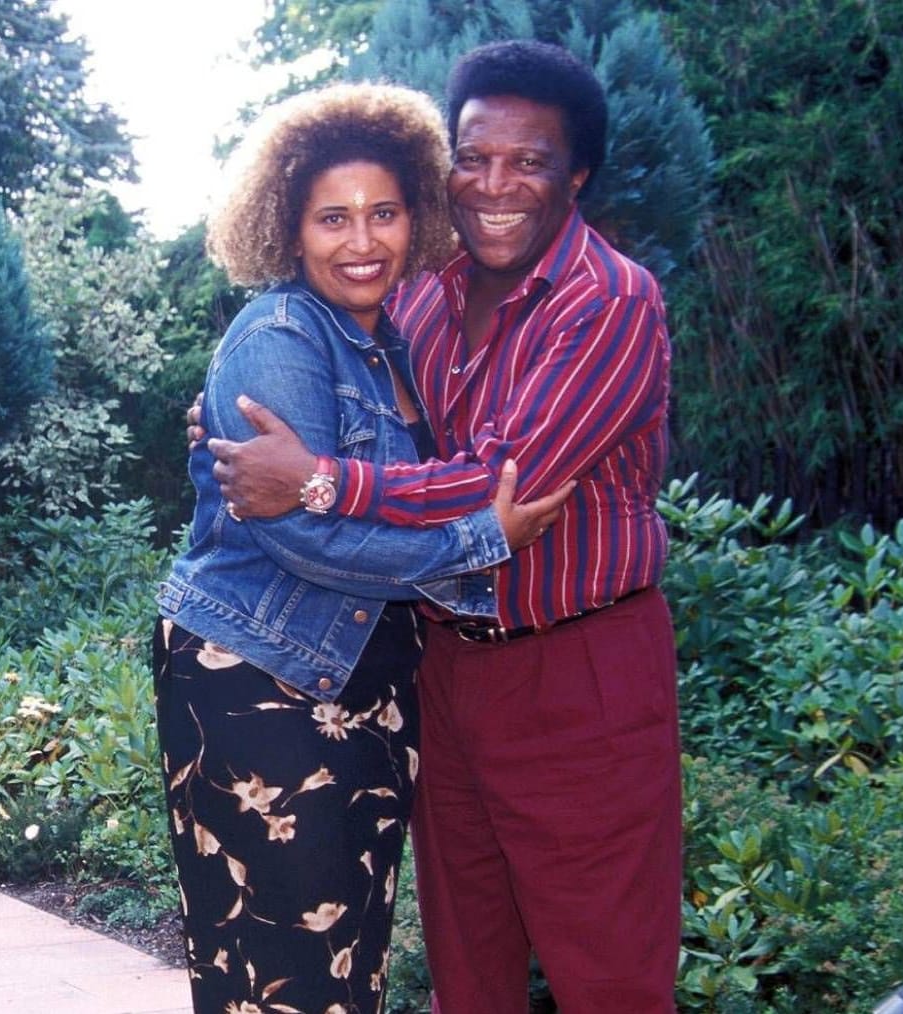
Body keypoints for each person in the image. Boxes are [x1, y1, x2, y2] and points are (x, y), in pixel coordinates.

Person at [199, 41, 681, 1014]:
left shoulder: (611, 302)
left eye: (530, 161)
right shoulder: (422, 292)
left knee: (610, 978)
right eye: (474, 157)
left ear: (576, 174)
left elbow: (498, 488)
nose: (495, 184)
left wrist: (319, 483)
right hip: (443, 666)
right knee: (471, 972)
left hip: (580, 669)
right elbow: (322, 405)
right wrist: (232, 423)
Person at [154, 81, 570, 1014]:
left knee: (345, 961)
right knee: (286, 968)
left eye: (383, 214)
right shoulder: (281, 333)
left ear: (413, 218)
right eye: (331, 218)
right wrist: (477, 545)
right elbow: (304, 534)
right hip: (260, 678)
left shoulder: (387, 342)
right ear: (287, 229)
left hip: (366, 683)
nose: (361, 241)